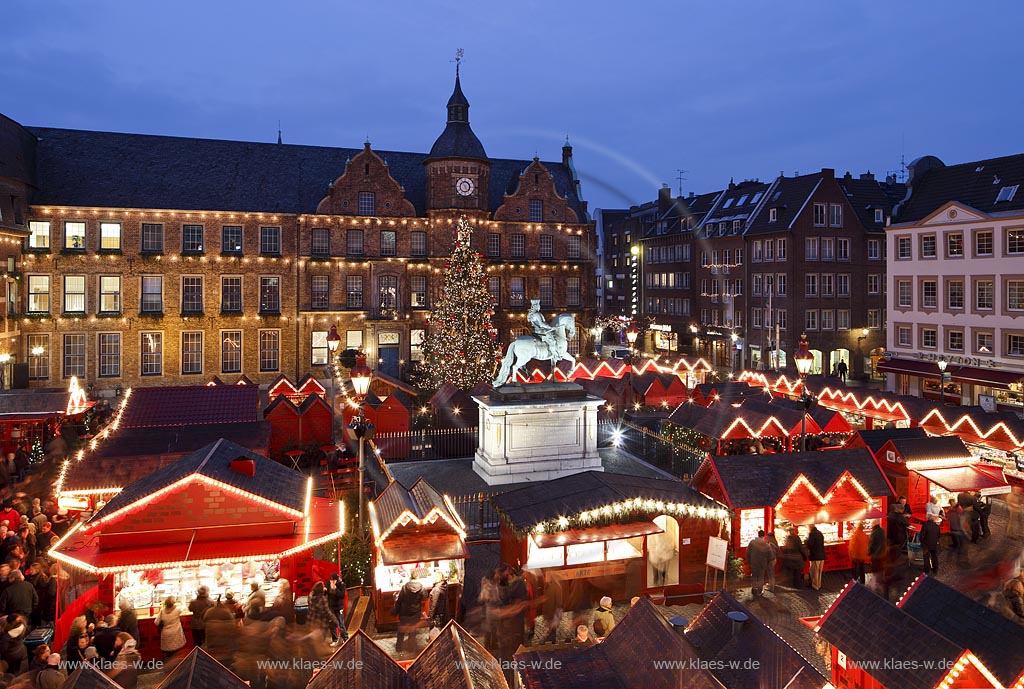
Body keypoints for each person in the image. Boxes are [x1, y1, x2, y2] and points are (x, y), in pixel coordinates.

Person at [393, 572, 426, 655]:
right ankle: (410, 648)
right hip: (415, 613)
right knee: (412, 631)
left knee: (401, 631)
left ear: (410, 577)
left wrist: (395, 610)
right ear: (417, 577)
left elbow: (400, 600)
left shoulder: (405, 587)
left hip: (405, 612)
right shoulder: (421, 587)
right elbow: (425, 596)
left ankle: (399, 648)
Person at [745, 530, 773, 596]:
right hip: (762, 563)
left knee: (754, 576)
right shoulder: (766, 544)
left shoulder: (752, 542)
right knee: (761, 577)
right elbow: (770, 555)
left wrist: (749, 560)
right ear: (764, 536)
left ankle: (754, 589)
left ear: (758, 535)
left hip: (753, 562)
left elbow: (747, 552)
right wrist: (768, 562)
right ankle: (759, 591)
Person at [540, 574, 563, 644]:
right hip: (548, 615)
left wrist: (556, 619)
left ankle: (552, 644)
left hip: (553, 616)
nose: (544, 578)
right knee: (550, 631)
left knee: (552, 633)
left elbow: (559, 604)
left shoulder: (557, 586)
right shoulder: (547, 585)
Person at [327, 573, 348, 646]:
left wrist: (335, 589)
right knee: (331, 624)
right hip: (331, 607)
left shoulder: (341, 584)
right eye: (331, 580)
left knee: (341, 623)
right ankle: (335, 639)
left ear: (337, 580)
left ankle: (345, 639)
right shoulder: (328, 584)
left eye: (333, 580)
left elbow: (342, 595)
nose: (332, 582)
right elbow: (327, 594)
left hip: (339, 607)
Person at [805, 525, 826, 591]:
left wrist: (805, 540)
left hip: (815, 555)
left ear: (810, 527)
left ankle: (815, 585)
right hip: (821, 555)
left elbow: (810, 544)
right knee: (819, 571)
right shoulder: (820, 533)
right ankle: (818, 584)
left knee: (814, 571)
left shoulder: (811, 534)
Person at [868, 521, 886, 592]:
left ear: (873, 524)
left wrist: (869, 552)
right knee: (880, 566)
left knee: (875, 567)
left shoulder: (874, 533)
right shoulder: (882, 531)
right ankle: (880, 580)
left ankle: (874, 583)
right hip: (881, 552)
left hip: (875, 553)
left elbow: (871, 544)